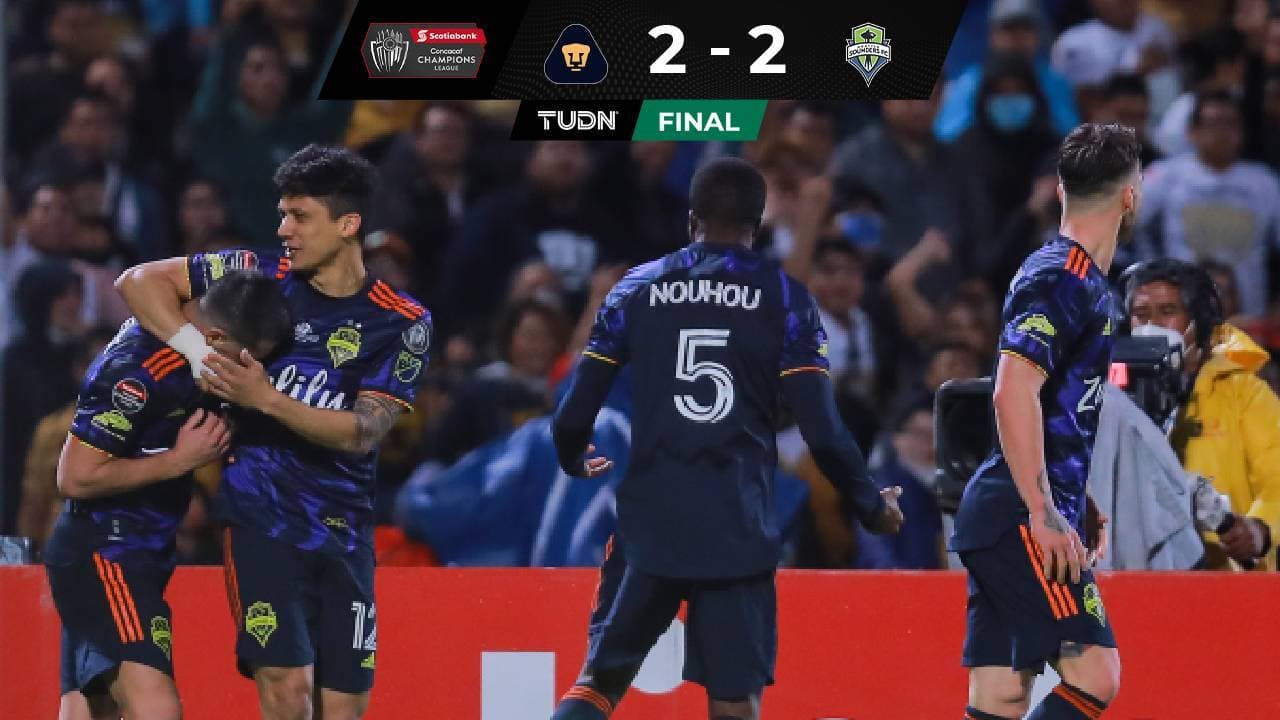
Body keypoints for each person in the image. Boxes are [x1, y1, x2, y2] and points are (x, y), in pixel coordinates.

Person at [547, 157, 904, 720]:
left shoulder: (635, 288)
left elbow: (572, 413)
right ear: (757, 225)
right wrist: (871, 506)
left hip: (650, 522)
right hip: (738, 525)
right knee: (734, 703)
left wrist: (572, 455)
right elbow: (823, 431)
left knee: (599, 682)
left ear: (692, 219)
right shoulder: (785, 298)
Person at [114, 144, 430, 720]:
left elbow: (363, 431)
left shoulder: (402, 320)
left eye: (300, 217)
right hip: (261, 518)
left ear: (348, 224)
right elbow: (138, 281)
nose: (284, 229)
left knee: (341, 707)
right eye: (283, 215)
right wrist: (197, 354)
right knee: (286, 688)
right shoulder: (256, 273)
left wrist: (265, 398)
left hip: (345, 529)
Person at [951, 123, 1139, 720]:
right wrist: (1043, 509)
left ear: (1061, 190)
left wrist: (1074, 493)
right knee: (1095, 675)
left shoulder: (1084, 280)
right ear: (1130, 197)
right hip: (1018, 513)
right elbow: (1012, 389)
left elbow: (1058, 403)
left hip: (1011, 507)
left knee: (1002, 693)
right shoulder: (1061, 276)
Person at [45, 271, 291, 720]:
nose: (247, 372)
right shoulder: (137, 374)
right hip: (106, 552)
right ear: (214, 338)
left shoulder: (188, 348)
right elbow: (75, 477)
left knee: (91, 707)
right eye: (244, 359)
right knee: (156, 708)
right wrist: (179, 461)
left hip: (139, 551)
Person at [1124, 259, 1280, 570]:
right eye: (1141, 314)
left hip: (1226, 579)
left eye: (1168, 311)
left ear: (1198, 320)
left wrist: (1259, 529)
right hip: (1137, 579)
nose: (1152, 326)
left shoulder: (1244, 393)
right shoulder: (1111, 397)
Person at [1136, 91, 1280, 317]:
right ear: (1192, 132)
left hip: (1248, 321)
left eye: (1230, 124)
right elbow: (1126, 224)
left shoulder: (1265, 182)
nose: (1222, 133)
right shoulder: (1166, 176)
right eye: (1213, 124)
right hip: (1180, 317)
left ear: (1242, 131)